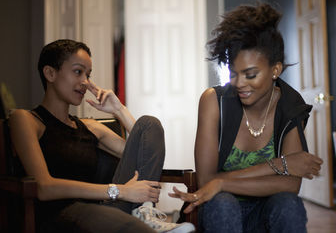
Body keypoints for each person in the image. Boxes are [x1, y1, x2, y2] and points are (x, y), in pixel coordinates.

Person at [8, 39, 195, 233]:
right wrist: (120, 191)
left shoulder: (90, 127)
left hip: (104, 208)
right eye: (78, 71)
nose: (85, 82)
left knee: (150, 124)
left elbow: (144, 155)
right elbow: (44, 187)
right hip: (58, 215)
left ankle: (144, 211)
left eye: (88, 75)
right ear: (50, 73)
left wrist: (119, 110)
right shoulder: (26, 119)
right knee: (133, 228)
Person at [169, 2, 324, 233]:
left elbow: (291, 184)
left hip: (267, 212)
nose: (240, 83)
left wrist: (222, 182)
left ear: (276, 70)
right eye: (234, 74)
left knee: (288, 205)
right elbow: (206, 181)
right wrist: (280, 164)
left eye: (250, 74)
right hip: (222, 213)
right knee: (223, 203)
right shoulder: (214, 102)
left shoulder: (291, 106)